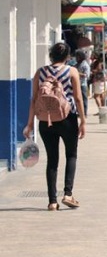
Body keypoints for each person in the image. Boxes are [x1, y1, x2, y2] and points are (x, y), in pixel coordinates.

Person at [23, 42, 86, 211]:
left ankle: (52, 201)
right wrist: (83, 121)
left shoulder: (40, 72)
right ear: (67, 56)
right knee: (71, 155)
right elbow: (79, 98)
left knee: (52, 160)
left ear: (51, 55)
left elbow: (34, 99)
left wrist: (30, 124)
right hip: (67, 119)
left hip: (45, 120)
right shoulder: (72, 71)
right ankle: (67, 194)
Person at [75, 51, 90, 116]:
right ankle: (79, 112)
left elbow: (86, 75)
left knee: (84, 99)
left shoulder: (85, 65)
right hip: (76, 83)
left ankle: (84, 113)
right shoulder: (77, 64)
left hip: (83, 84)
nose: (76, 58)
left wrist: (77, 73)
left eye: (77, 57)